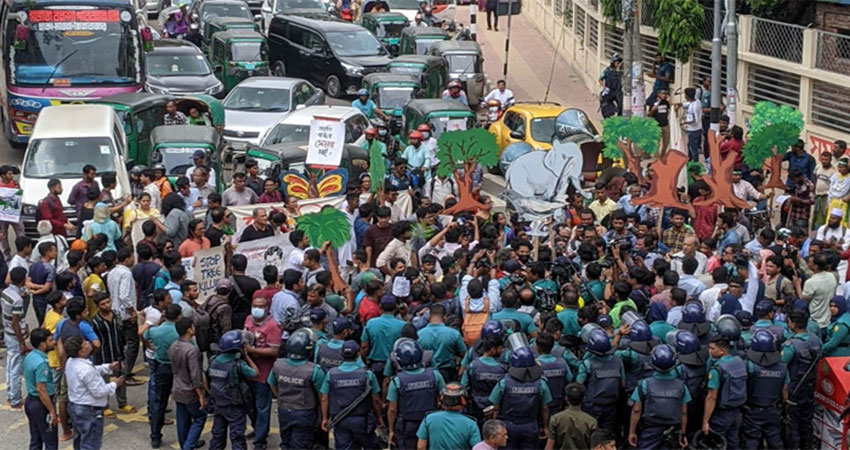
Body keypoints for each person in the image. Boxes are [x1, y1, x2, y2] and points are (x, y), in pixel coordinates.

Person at [319, 340, 384, 450]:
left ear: (341, 353)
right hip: (362, 420)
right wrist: (379, 417)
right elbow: (376, 399)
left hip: (340, 419)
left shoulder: (331, 374)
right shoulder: (368, 374)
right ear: (358, 354)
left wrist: (325, 418)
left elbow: (324, 398)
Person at [63, 334, 124, 450]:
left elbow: (92, 371)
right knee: (90, 445)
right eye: (85, 343)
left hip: (75, 406)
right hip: (89, 410)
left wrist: (107, 367)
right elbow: (99, 391)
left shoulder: (71, 361)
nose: (88, 342)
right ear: (81, 352)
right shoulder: (85, 369)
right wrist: (115, 384)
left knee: (80, 439)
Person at [269, 329, 324, 450]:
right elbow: (322, 396)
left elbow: (272, 384)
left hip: (284, 409)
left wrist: (281, 397)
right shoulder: (314, 370)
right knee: (301, 444)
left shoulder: (278, 365)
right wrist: (324, 416)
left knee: (285, 442)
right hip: (305, 412)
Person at [627, 344, 689, 449]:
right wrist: (682, 433)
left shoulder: (644, 384)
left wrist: (632, 432)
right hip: (672, 431)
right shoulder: (681, 386)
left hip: (649, 431)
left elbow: (636, 410)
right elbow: (684, 412)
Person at [386, 340, 445, 449]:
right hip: (432, 423)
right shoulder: (435, 375)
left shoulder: (396, 381)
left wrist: (391, 430)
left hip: (408, 426)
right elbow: (445, 399)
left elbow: (392, 409)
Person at [208, 330, 259, 450]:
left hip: (219, 403)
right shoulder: (238, 365)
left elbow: (205, 379)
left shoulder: (213, 361)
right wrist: (246, 356)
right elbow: (255, 373)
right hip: (234, 406)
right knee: (237, 437)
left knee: (217, 435)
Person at [244, 296, 282, 450]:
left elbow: (274, 350)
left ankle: (260, 440)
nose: (256, 309)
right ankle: (257, 428)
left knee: (262, 407)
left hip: (263, 373)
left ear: (267, 308)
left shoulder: (273, 326)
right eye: (254, 306)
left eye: (260, 306)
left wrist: (252, 350)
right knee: (249, 405)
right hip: (248, 371)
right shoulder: (249, 319)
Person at [89, 292, 135, 416]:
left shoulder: (116, 315)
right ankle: (104, 406)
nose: (106, 305)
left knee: (122, 378)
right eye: (103, 304)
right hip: (103, 356)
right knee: (103, 381)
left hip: (118, 353)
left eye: (108, 302)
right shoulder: (95, 322)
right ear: (98, 306)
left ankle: (122, 403)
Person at [741, 330, 788, 449]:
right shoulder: (782, 367)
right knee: (775, 440)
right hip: (773, 409)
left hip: (752, 409)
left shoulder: (749, 366)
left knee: (751, 440)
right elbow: (785, 392)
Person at [781, 309, 821, 449]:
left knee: (792, 422)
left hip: (794, 388)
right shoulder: (815, 340)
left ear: (792, 324)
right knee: (807, 420)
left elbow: (782, 365)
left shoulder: (791, 345)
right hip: (810, 387)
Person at [144, 304, 181, 448]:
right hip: (178, 367)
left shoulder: (155, 331)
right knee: (184, 402)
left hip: (161, 367)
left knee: (159, 403)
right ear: (178, 316)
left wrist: (149, 345)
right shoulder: (180, 331)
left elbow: (144, 335)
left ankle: (155, 436)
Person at [168, 317, 207, 450]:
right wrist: (201, 395)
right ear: (189, 329)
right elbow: (195, 376)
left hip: (177, 387)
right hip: (190, 391)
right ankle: (188, 446)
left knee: (182, 420)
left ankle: (184, 444)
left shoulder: (173, 346)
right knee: (200, 418)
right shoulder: (191, 350)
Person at [702, 336, 747, 450]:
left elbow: (711, 397)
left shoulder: (717, 370)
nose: (710, 351)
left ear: (722, 351)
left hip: (721, 414)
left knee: (717, 444)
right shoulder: (739, 361)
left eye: (712, 349)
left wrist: (705, 421)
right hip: (737, 411)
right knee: (733, 442)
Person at [576, 329, 624, 433]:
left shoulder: (587, 364)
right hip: (611, 406)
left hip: (592, 406)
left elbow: (578, 386)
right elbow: (623, 384)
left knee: (590, 433)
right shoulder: (618, 361)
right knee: (607, 435)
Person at [415, 382, 481, 450]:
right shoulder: (471, 424)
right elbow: (477, 447)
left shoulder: (429, 419)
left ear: (441, 400)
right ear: (463, 401)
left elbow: (420, 447)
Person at [24, 328, 58, 450]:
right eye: (50, 340)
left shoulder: (30, 356)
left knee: (36, 439)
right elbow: (41, 389)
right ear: (42, 344)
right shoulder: (42, 363)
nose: (53, 342)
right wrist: (52, 411)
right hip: (41, 404)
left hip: (30, 402)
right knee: (50, 442)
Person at [361, 294, 406, 383]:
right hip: (395, 366)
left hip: (375, 365)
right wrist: (404, 315)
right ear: (396, 307)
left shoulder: (371, 323)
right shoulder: (402, 325)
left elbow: (364, 347)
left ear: (380, 306)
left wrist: (363, 362)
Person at [418, 303, 467, 382]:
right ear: (445, 317)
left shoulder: (419, 335)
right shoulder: (454, 334)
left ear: (429, 317)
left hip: (427, 374)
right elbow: (464, 354)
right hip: (449, 374)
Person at [3, 266, 28, 409]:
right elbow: (15, 323)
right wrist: (22, 342)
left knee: (11, 366)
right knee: (16, 368)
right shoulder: (17, 300)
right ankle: (15, 398)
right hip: (14, 335)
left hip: (8, 333)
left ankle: (10, 394)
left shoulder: (6, 293)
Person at [544, 383, 597, 450]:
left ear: (566, 399)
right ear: (583, 399)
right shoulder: (591, 422)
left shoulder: (555, 419)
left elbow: (549, 446)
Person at [682, 87, 703, 162]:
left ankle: (695, 162)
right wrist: (679, 104)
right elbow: (686, 104)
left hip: (694, 129)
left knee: (693, 147)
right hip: (695, 129)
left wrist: (684, 122)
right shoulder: (696, 101)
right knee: (689, 145)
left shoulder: (695, 107)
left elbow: (694, 120)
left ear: (687, 96)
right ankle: (689, 159)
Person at [599, 53, 622, 118]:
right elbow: (600, 80)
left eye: (619, 63)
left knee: (621, 106)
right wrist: (605, 87)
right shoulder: (607, 71)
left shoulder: (620, 72)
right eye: (617, 63)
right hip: (609, 90)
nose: (618, 65)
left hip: (617, 91)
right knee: (605, 105)